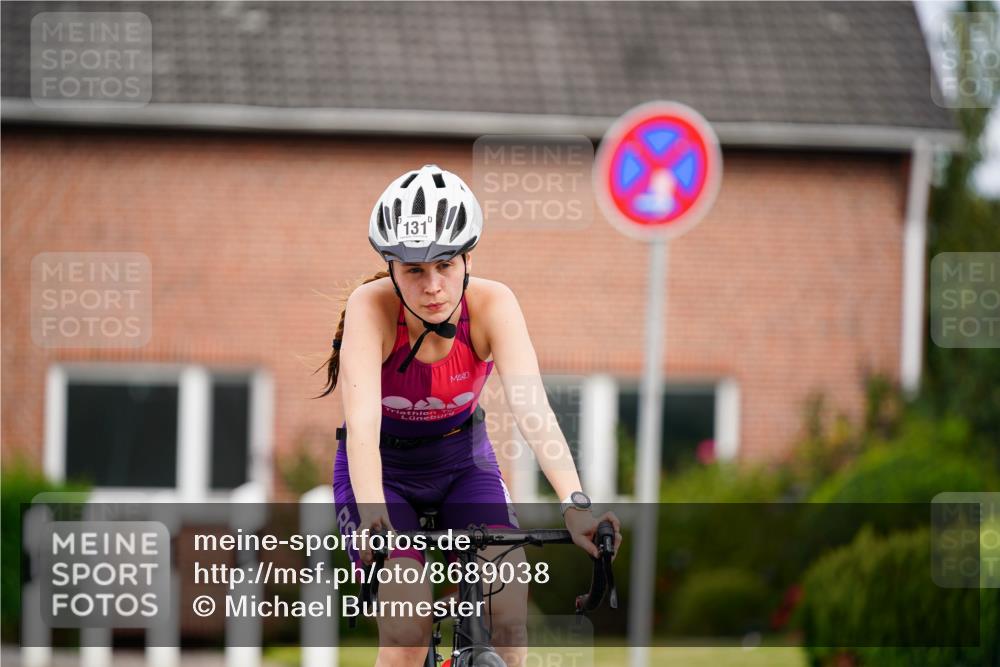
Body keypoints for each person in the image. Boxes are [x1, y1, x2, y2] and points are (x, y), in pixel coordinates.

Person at [318, 164, 622, 667]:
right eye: (415, 270)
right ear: (392, 268)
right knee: (407, 631)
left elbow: (533, 410)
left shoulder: (494, 304)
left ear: (468, 258)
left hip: (464, 465)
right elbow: (363, 429)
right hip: (382, 474)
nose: (433, 285)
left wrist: (574, 502)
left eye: (447, 264)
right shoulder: (368, 309)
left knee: (508, 616)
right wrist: (373, 514)